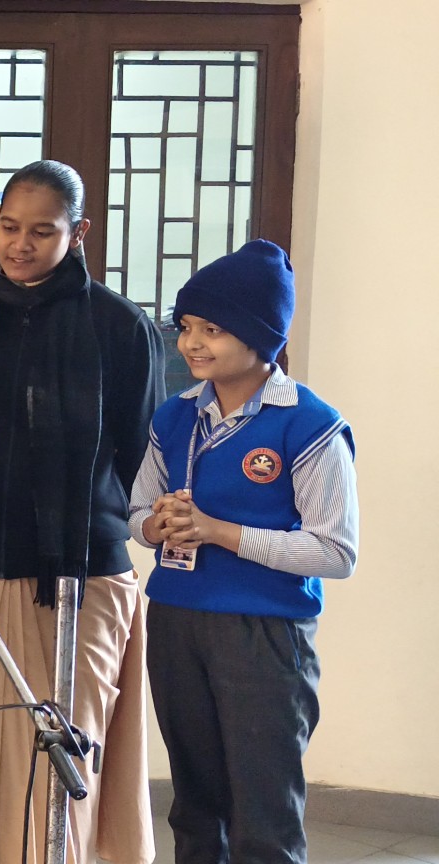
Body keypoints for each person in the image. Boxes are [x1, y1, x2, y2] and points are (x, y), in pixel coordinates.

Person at [0, 160, 160, 864]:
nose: (19, 245)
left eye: (41, 231)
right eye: (8, 227)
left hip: (78, 576)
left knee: (68, 753)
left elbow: (135, 454)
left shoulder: (117, 325)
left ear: (78, 233)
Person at [131, 240, 358, 864]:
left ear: (262, 336)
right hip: (176, 619)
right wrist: (156, 525)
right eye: (186, 327)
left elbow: (335, 551)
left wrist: (217, 531)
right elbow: (135, 512)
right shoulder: (174, 418)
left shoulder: (309, 424)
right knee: (194, 805)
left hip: (265, 630)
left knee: (263, 811)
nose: (192, 343)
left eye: (213, 330)